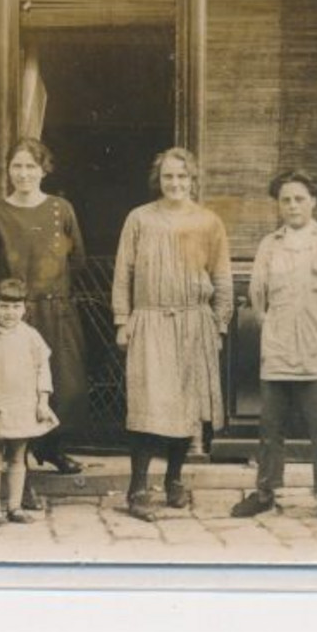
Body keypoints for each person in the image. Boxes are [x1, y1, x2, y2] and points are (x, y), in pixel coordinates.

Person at [230, 171, 317, 524]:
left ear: (313, 201)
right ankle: (264, 492)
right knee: (270, 427)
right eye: (286, 199)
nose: (292, 205)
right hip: (277, 352)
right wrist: (274, 329)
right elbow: (258, 297)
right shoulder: (268, 246)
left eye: (299, 198)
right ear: (278, 204)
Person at [112, 147, 234, 522]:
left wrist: (219, 323)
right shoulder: (140, 219)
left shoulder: (209, 222)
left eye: (182, 176)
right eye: (168, 176)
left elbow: (222, 276)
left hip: (194, 322)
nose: (175, 183)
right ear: (158, 180)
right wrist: (122, 320)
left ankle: (175, 480)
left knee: (186, 405)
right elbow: (123, 273)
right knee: (148, 406)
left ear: (193, 180)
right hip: (150, 320)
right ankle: (137, 487)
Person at [0, 137, 89, 476]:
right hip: (14, 317)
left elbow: (77, 259)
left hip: (57, 311)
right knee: (15, 388)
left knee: (65, 386)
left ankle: (51, 449)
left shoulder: (60, 209)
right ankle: (17, 467)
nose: (23, 174)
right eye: (17, 166)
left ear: (44, 170)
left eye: (30, 166)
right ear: (8, 170)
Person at [0, 278, 59, 527]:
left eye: (16, 307)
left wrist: (43, 401)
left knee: (18, 456)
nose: (9, 313)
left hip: (23, 406)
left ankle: (15, 506)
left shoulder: (32, 336)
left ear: (25, 309)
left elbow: (43, 369)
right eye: (4, 306)